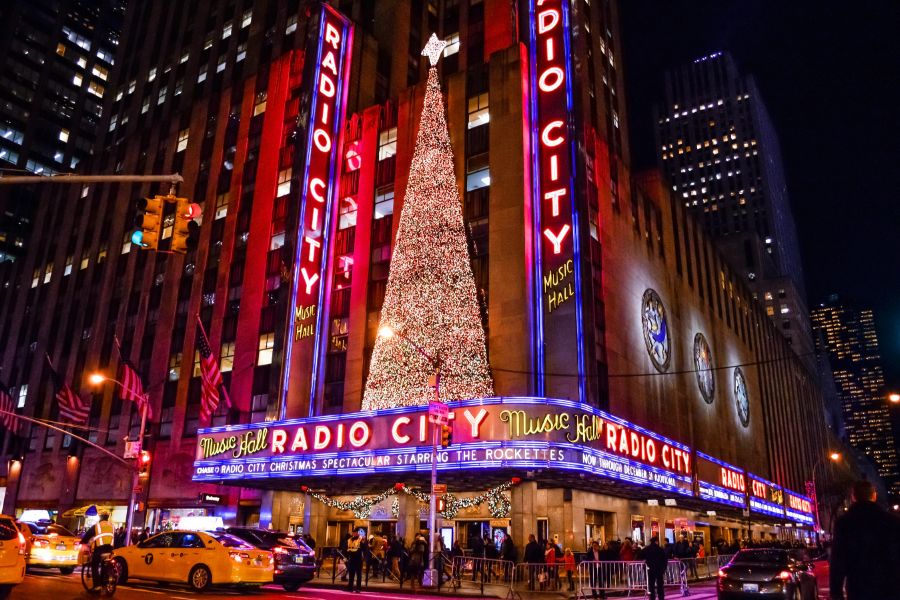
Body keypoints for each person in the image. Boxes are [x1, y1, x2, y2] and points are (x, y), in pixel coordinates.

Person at [829, 480, 900, 600]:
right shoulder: (892, 521)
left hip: (858, 588)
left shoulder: (844, 523)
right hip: (889, 588)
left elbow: (838, 561)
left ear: (853, 497)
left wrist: (836, 593)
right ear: (874, 496)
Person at [80, 512, 115, 584]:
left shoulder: (97, 526)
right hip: (110, 549)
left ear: (101, 517)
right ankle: (104, 581)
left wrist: (82, 541)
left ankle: (97, 585)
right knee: (105, 564)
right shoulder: (112, 526)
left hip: (100, 549)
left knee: (94, 565)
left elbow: (88, 534)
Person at [644, 536, 668, 600]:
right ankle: (661, 597)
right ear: (656, 542)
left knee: (651, 585)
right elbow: (665, 559)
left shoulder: (647, 549)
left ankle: (652, 598)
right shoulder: (660, 549)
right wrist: (664, 568)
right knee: (660, 585)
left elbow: (640, 555)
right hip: (659, 569)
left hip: (651, 569)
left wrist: (646, 563)